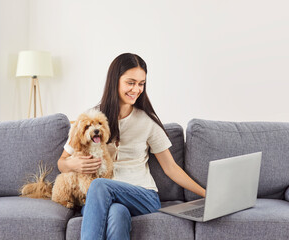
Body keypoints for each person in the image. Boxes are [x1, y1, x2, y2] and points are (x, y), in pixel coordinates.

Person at [57, 53, 206, 240]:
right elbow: (62, 162)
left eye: (141, 83)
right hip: (103, 199)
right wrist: (73, 165)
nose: (136, 89)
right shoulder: (91, 119)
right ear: (115, 81)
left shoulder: (147, 122)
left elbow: (171, 168)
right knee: (117, 213)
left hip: (142, 195)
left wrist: (206, 194)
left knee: (99, 185)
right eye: (131, 82)